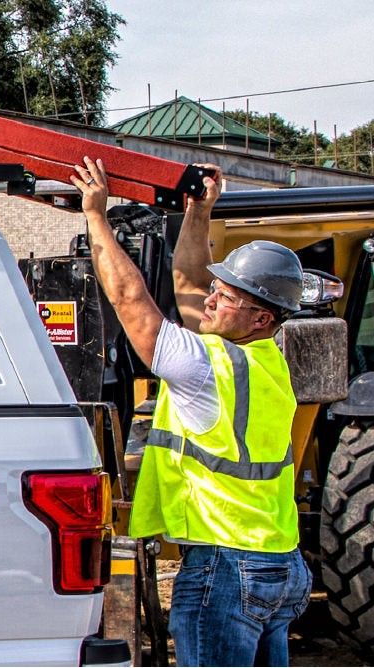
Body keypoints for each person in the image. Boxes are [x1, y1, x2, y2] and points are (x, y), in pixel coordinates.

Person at [69, 157, 312, 667]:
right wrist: (200, 212)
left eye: (225, 296)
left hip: (228, 566)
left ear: (260, 315)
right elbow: (192, 285)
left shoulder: (207, 365)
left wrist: (96, 216)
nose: (210, 300)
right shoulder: (268, 355)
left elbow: (128, 297)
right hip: (279, 563)